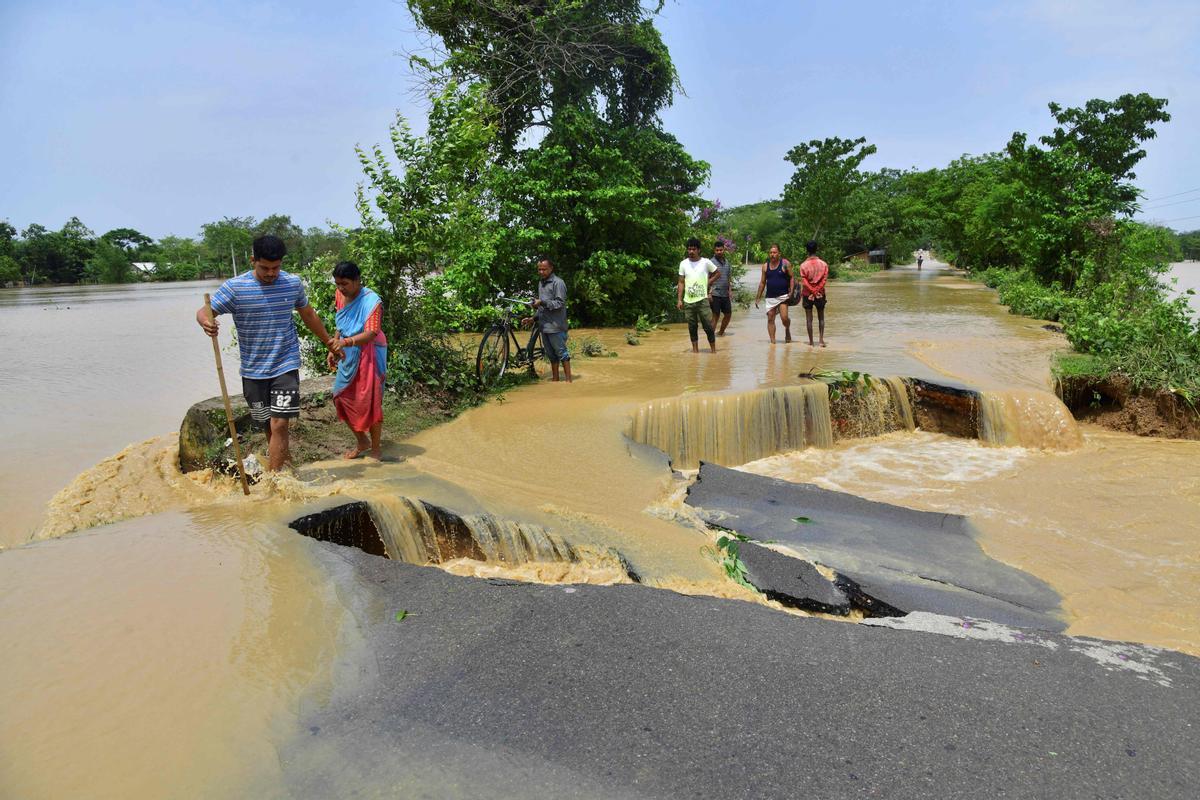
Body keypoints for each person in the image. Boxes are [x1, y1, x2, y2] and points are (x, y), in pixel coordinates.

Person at [195, 234, 340, 472]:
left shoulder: (292, 283)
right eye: (265, 268)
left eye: (276, 267)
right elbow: (204, 311)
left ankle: (274, 484)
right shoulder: (235, 288)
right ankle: (288, 469)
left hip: (285, 364)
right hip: (253, 370)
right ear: (253, 260)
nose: (271, 273)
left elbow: (308, 315)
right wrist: (206, 322)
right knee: (267, 426)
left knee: (280, 423)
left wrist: (328, 342)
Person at [328, 261, 388, 459]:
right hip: (348, 350)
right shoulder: (340, 295)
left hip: (370, 351)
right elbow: (341, 321)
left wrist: (345, 342)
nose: (340, 288)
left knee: (372, 400)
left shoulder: (372, 301)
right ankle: (362, 441)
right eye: (337, 283)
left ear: (357, 280)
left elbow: (371, 333)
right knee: (340, 396)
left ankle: (376, 449)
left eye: (344, 283)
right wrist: (334, 346)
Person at [522, 258, 572, 382]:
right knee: (551, 356)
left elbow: (559, 303)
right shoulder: (541, 283)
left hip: (556, 326)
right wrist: (533, 318)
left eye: (544, 269)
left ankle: (569, 382)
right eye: (539, 269)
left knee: (562, 354)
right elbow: (542, 307)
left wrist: (542, 302)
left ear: (551, 269)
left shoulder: (558, 283)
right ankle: (555, 380)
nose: (541, 272)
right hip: (544, 326)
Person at [677, 237, 719, 353]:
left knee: (708, 327)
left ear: (699, 250)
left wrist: (708, 282)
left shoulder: (705, 262)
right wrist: (679, 300)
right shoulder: (683, 264)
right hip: (688, 301)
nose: (691, 251)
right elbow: (681, 282)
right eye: (689, 249)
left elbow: (717, 273)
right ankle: (695, 352)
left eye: (693, 249)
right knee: (692, 327)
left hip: (702, 300)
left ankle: (713, 351)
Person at [753, 244, 793, 344]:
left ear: (779, 253)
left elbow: (792, 277)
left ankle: (787, 328)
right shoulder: (765, 266)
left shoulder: (785, 263)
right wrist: (758, 297)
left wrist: (791, 291)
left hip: (783, 296)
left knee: (784, 318)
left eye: (774, 252)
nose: (772, 254)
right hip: (770, 297)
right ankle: (773, 343)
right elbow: (762, 283)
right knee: (770, 318)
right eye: (770, 253)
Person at [798, 239, 829, 348]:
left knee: (809, 319)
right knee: (821, 318)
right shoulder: (824, 264)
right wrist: (816, 291)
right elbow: (824, 280)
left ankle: (811, 342)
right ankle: (821, 340)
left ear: (807, 250)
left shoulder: (803, 266)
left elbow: (804, 282)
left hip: (808, 294)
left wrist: (812, 291)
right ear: (817, 249)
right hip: (820, 294)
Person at [708, 239, 734, 336]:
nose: (719, 252)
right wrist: (709, 293)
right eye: (717, 250)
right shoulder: (710, 262)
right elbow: (707, 278)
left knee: (728, 315)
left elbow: (729, 278)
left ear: (724, 250)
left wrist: (730, 291)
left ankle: (721, 333)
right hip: (714, 293)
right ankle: (710, 337)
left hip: (725, 294)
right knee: (716, 315)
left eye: (721, 250)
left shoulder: (727, 262)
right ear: (714, 251)